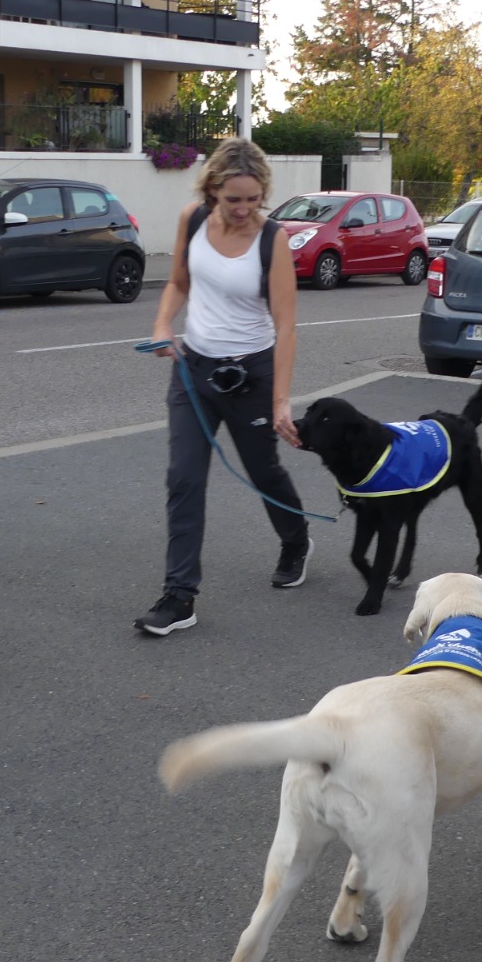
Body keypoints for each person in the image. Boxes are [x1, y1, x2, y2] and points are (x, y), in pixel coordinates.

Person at [134, 137, 313, 637]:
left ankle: (295, 539)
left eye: (253, 199)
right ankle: (179, 595)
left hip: (251, 374)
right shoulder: (192, 219)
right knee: (184, 478)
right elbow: (178, 283)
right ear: (212, 188)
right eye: (233, 199)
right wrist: (162, 325)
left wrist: (281, 400)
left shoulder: (272, 239)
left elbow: (286, 326)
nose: (243, 209)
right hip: (193, 370)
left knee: (263, 470)